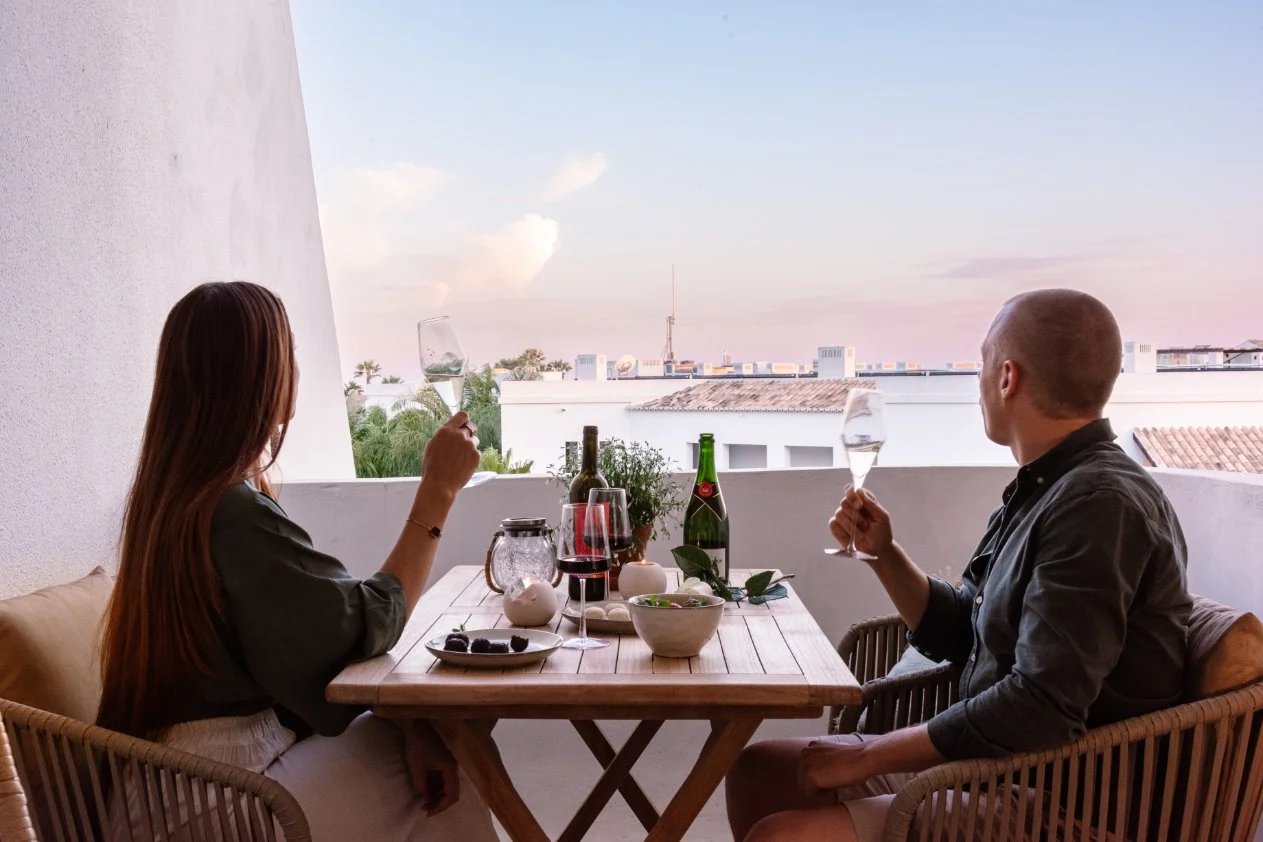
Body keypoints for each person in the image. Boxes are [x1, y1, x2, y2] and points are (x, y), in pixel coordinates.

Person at [726, 289, 1191, 841]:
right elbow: (963, 635)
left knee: (782, 835)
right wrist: (884, 555)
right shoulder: (1045, 488)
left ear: (1007, 378)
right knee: (758, 773)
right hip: (996, 766)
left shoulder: (1099, 506)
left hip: (1066, 796)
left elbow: (1041, 708)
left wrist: (871, 754)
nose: (978, 381)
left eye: (981, 363)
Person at [98, 281, 497, 841]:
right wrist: (438, 491)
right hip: (218, 805)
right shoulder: (231, 510)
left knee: (419, 736)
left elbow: (308, 647)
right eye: (288, 355)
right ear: (262, 379)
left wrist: (413, 727)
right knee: (446, 744)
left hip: (161, 794)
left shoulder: (171, 501)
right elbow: (362, 628)